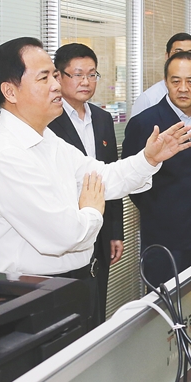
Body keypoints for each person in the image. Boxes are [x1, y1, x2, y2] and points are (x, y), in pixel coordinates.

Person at [0, 37, 191, 321]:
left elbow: (102, 176)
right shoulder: (4, 155)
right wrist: (91, 209)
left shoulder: (47, 140)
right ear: (10, 91)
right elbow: (64, 235)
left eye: (55, 75)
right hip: (30, 296)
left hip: (69, 283)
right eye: (44, 78)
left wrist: (148, 159)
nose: (56, 85)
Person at [122, 51, 191, 288]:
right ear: (165, 82)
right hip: (164, 237)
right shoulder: (145, 124)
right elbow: (131, 179)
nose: (183, 88)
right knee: (164, 303)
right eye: (176, 81)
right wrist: (160, 209)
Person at [48, 43, 123, 325]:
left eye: (92, 75)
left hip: (100, 229)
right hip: (67, 231)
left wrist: (115, 231)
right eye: (78, 74)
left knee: (97, 306)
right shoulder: (49, 122)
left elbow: (110, 175)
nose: (86, 82)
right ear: (58, 77)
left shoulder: (102, 119)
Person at [129, 33, 191, 117]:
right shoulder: (147, 98)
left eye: (190, 54)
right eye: (178, 53)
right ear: (167, 56)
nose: (183, 58)